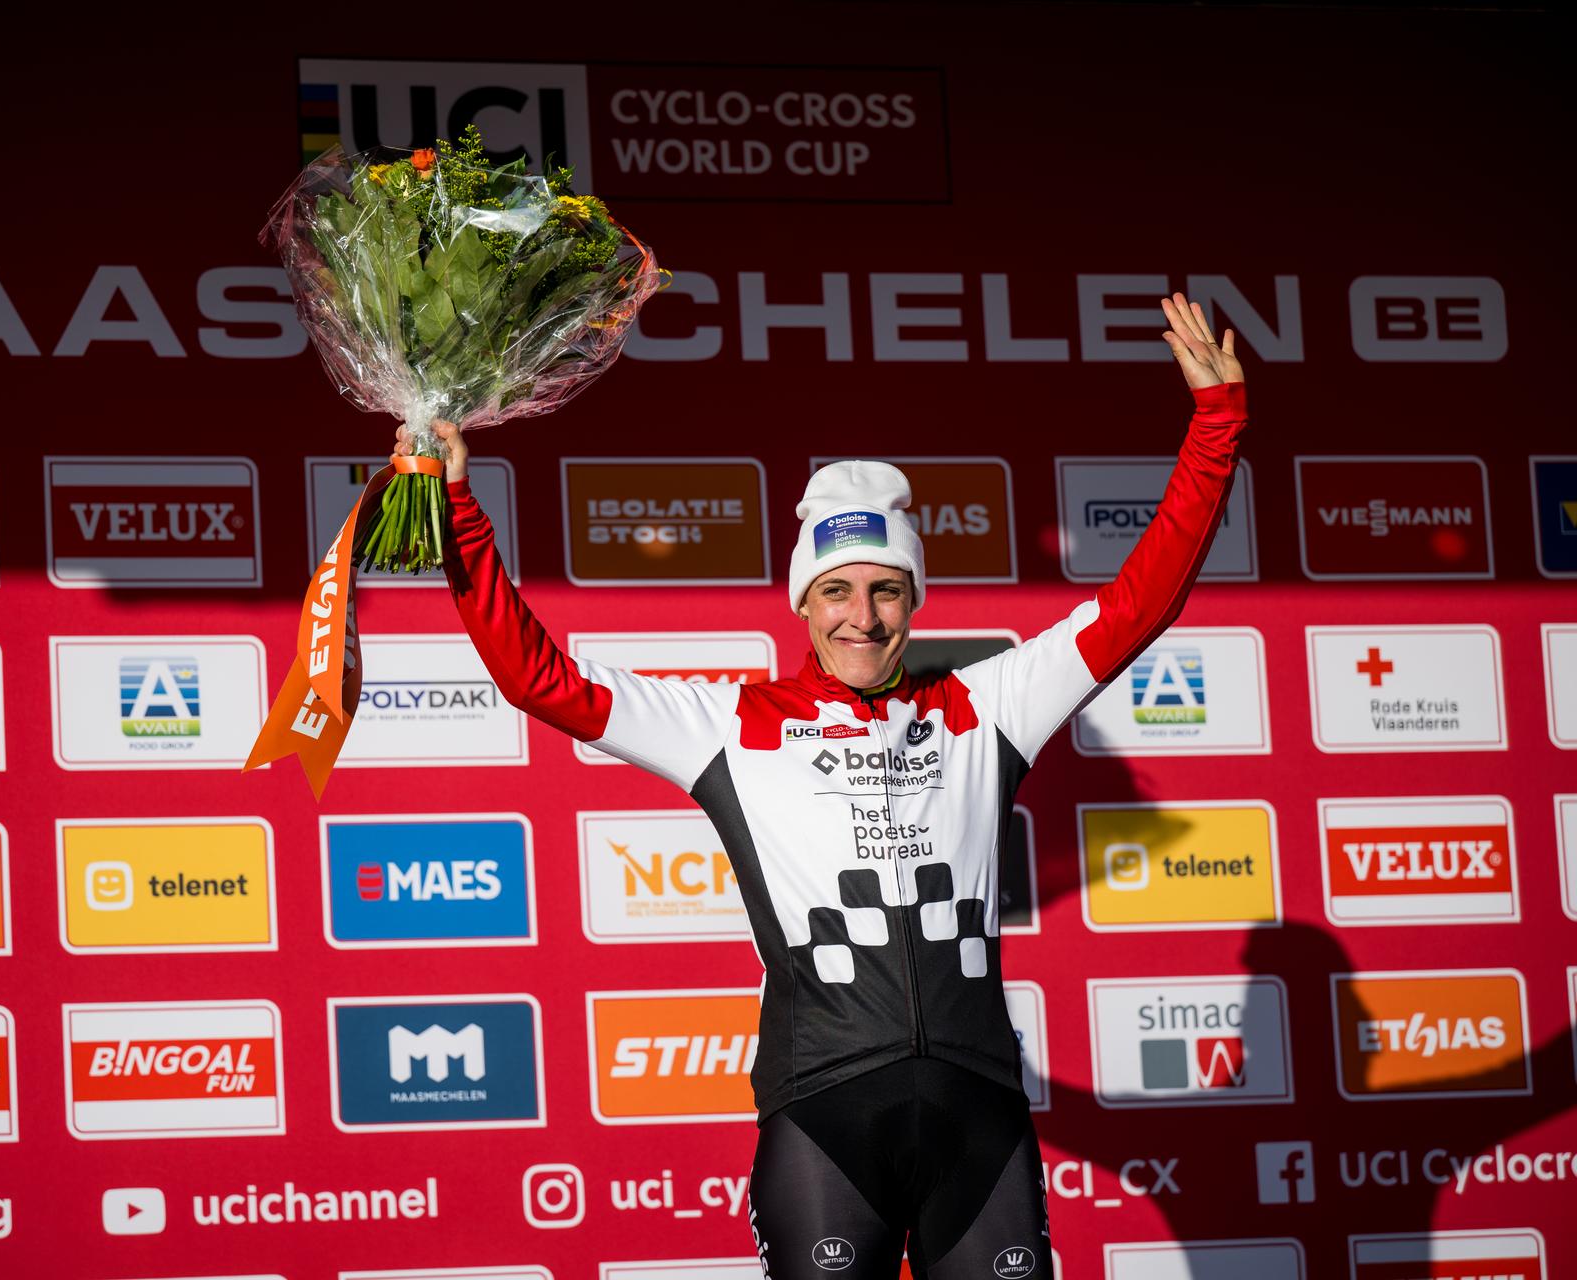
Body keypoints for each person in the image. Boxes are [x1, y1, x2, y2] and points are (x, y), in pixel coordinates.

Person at [399, 293, 1248, 1279]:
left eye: (886, 588)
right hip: (822, 1114)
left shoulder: (988, 703)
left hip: (980, 1117)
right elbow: (539, 676)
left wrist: (1215, 426)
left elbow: (1141, 599)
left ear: (913, 599)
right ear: (802, 599)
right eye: (837, 589)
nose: (863, 615)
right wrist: (457, 510)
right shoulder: (733, 722)